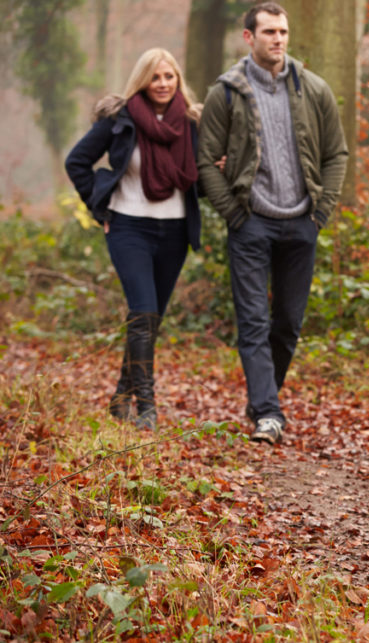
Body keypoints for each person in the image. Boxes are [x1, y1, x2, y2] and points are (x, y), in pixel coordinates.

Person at [197, 2, 348, 445]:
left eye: (283, 31)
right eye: (268, 32)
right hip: (251, 223)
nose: (278, 39)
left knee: (288, 322)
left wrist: (321, 211)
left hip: (302, 221)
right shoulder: (225, 92)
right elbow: (206, 159)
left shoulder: (314, 89)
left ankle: (264, 399)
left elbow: (336, 154)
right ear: (249, 37)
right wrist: (234, 213)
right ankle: (267, 411)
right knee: (253, 322)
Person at [65, 48, 203, 431]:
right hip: (129, 228)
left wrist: (216, 168)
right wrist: (100, 207)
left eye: (169, 76)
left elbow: (196, 181)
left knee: (151, 319)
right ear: (143, 80)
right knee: (142, 312)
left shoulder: (191, 123)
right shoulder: (120, 119)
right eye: (155, 77)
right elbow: (77, 162)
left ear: (178, 80)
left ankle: (120, 397)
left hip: (175, 231)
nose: (162, 84)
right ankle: (147, 406)